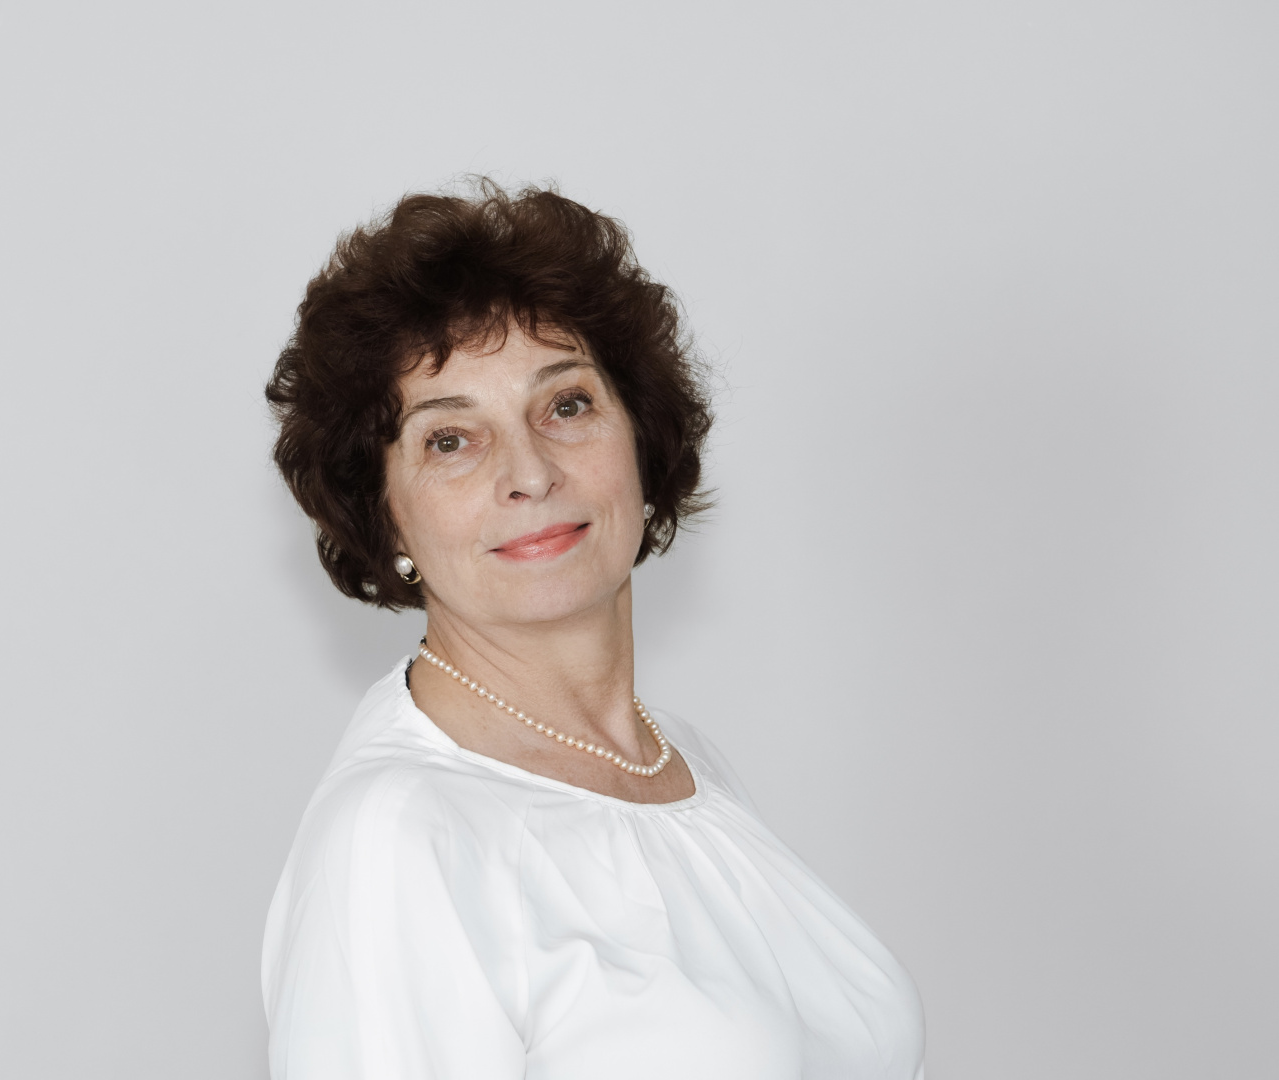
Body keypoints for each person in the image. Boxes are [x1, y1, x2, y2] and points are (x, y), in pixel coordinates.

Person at [260, 181, 926, 1079]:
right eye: (450, 440)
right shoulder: (398, 837)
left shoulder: (679, 765)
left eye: (566, 405)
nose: (530, 473)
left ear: (641, 442)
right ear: (386, 520)